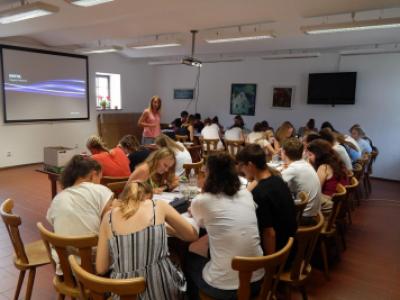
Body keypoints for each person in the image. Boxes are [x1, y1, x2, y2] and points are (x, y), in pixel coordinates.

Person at [96, 181, 198, 300]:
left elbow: (101, 268)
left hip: (123, 292)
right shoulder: (158, 205)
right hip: (161, 290)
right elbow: (192, 236)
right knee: (177, 259)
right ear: (147, 197)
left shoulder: (108, 218)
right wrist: (167, 229)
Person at [187, 153, 264, 300]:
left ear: (209, 174)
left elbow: (201, 224)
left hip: (224, 289)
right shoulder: (245, 194)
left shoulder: (202, 200)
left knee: (190, 257)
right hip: (258, 280)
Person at [47, 155, 114, 275]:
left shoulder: (58, 198)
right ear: (93, 175)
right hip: (93, 270)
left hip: (66, 269)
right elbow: (112, 225)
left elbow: (54, 224)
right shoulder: (100, 191)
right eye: (100, 177)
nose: (99, 181)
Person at [236, 144, 297, 254]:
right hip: (291, 246)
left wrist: (270, 265)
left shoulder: (259, 193)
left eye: (242, 166)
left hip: (280, 255)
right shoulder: (278, 180)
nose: (241, 170)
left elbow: (269, 233)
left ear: (250, 165)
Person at [281, 138, 321, 225]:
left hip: (304, 217)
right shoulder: (304, 164)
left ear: (283, 152)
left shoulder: (294, 169)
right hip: (314, 212)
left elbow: (274, 183)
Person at [306, 139, 349, 213]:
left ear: (319, 155)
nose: (308, 158)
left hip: (329, 205)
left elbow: (315, 191)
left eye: (310, 155)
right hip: (339, 204)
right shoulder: (336, 162)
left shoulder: (324, 167)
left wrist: (308, 167)